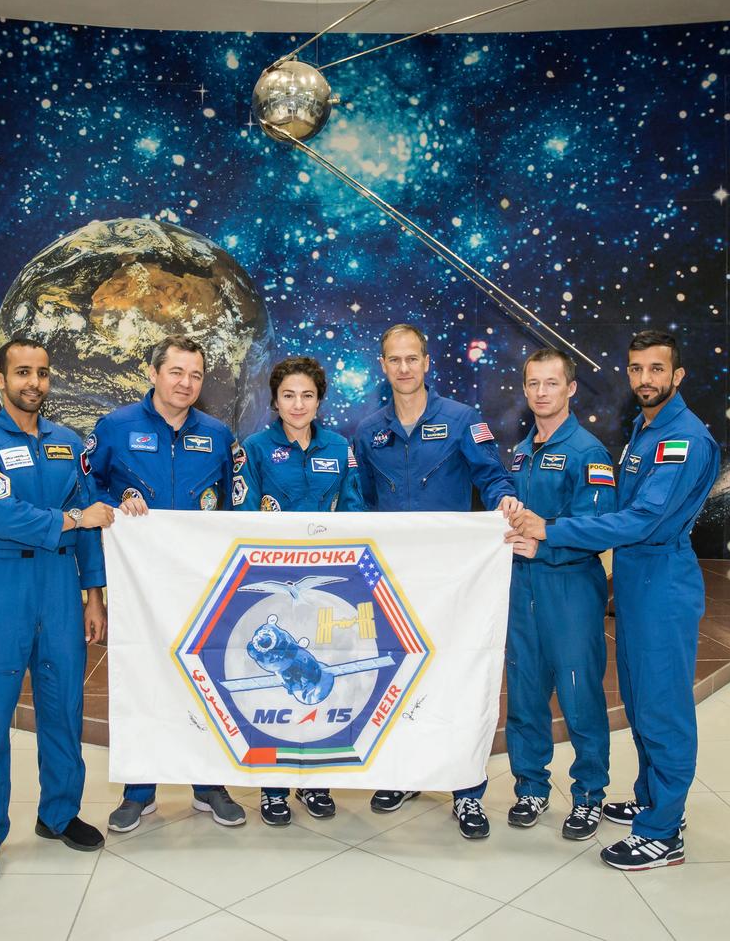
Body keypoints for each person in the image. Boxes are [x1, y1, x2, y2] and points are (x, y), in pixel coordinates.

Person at [507, 329, 719, 871]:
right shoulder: (646, 433)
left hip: (661, 583)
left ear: (677, 376)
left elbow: (644, 518)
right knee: (643, 699)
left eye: (656, 369)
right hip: (635, 583)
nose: (645, 379)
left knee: (662, 707)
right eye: (636, 369)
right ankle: (653, 800)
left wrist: (550, 532)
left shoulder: (681, 439)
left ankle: (662, 832)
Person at [0, 337, 115, 883]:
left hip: (60, 587)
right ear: (0, 380)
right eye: (22, 373)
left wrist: (94, 595)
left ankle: (59, 813)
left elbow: (90, 517)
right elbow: (3, 516)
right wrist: (73, 522)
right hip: (3, 585)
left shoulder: (67, 443)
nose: (34, 383)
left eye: (42, 374)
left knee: (63, 704)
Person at [352, 323, 519, 840]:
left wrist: (505, 501)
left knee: (457, 681)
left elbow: (492, 477)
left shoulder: (463, 420)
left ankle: (467, 792)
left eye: (412, 359)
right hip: (390, 582)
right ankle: (404, 774)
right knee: (398, 679)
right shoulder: (369, 431)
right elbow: (359, 501)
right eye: (393, 359)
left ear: (427, 363)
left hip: (452, 581)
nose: (403, 368)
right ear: (384, 365)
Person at [86, 334, 247, 831]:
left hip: (205, 583)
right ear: (153, 374)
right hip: (141, 585)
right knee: (145, 679)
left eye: (195, 375)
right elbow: (88, 491)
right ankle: (139, 788)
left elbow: (239, 504)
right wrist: (115, 509)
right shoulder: (115, 428)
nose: (186, 383)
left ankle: (209, 783)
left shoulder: (219, 434)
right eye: (176, 372)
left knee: (210, 678)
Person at [232, 355, 364, 826]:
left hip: (325, 584)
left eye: (307, 395)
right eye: (288, 395)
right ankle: (273, 788)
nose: (298, 403)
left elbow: (355, 510)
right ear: (274, 400)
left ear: (319, 400)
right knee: (276, 681)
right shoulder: (256, 447)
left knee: (321, 674)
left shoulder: (338, 446)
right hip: (272, 587)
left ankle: (316, 781)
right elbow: (242, 512)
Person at [502, 348, 614, 841]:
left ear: (571, 389)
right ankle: (530, 786)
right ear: (525, 390)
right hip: (521, 587)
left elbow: (598, 528)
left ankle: (589, 793)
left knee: (578, 694)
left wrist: (544, 536)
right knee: (525, 693)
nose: (542, 392)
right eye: (533, 384)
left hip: (569, 589)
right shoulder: (523, 450)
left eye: (552, 383)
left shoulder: (589, 452)